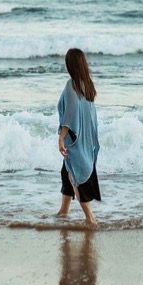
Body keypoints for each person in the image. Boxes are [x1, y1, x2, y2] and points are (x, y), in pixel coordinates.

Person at [56, 48, 101, 226]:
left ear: (70, 65)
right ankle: (63, 212)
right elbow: (90, 115)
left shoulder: (71, 85)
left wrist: (61, 137)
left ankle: (90, 218)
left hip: (74, 138)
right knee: (66, 172)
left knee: (75, 176)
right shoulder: (87, 85)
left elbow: (70, 114)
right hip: (85, 138)